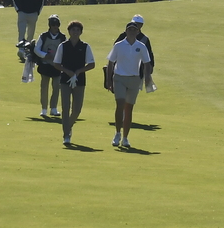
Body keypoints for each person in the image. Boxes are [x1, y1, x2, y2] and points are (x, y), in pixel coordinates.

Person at [106, 20, 153, 148]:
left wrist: (147, 76)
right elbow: (110, 62)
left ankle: (125, 138)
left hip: (134, 79)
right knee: (120, 104)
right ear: (126, 31)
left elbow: (147, 63)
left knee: (129, 108)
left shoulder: (141, 46)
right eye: (130, 29)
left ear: (137, 32)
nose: (132, 32)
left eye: (134, 30)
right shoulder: (119, 45)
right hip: (119, 78)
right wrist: (108, 79)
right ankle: (117, 133)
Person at [53, 21, 95, 147]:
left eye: (77, 30)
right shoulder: (63, 46)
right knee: (65, 107)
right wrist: (67, 71)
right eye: (73, 30)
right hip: (65, 80)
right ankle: (66, 135)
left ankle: (68, 126)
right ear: (69, 31)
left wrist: (78, 71)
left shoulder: (85, 46)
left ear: (81, 32)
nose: (75, 32)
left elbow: (92, 64)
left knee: (77, 109)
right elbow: (56, 63)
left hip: (80, 81)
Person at [32, 14, 65, 119]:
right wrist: (45, 55)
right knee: (44, 87)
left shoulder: (62, 37)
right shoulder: (43, 36)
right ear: (50, 25)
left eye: (57, 24)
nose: (55, 26)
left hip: (57, 66)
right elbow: (36, 49)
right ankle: (44, 109)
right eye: (53, 24)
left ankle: (54, 108)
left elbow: (65, 50)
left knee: (56, 87)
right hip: (45, 65)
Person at [113, 14, 156, 78]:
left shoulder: (144, 38)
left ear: (142, 25)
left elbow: (149, 53)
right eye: (135, 23)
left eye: (138, 24)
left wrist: (151, 66)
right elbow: (115, 49)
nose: (136, 25)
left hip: (138, 70)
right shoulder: (123, 35)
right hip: (122, 67)